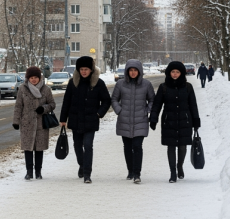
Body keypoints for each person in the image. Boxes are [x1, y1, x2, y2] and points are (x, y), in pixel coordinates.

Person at [59, 56, 112, 184]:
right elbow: (66, 101)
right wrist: (63, 119)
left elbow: (106, 100)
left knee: (88, 146)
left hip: (91, 120)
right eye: (81, 69)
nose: (84, 71)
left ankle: (87, 174)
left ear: (91, 70)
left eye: (86, 69)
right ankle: (82, 165)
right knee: (77, 145)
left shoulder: (98, 83)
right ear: (78, 70)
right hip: (75, 119)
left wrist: (99, 113)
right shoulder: (73, 83)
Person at [150, 61, 201, 183]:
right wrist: (153, 118)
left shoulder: (188, 87)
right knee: (171, 147)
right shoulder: (164, 87)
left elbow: (193, 105)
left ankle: (180, 166)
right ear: (169, 73)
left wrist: (196, 121)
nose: (175, 74)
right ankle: (173, 172)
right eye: (173, 72)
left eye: (177, 72)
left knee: (182, 147)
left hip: (184, 120)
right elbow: (157, 104)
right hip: (169, 121)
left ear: (181, 73)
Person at [110, 59, 154, 184]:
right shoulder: (120, 84)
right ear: (127, 71)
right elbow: (114, 99)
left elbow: (152, 100)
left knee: (137, 146)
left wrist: (146, 111)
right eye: (131, 70)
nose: (133, 73)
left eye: (135, 70)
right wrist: (119, 111)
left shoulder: (146, 84)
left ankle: (137, 173)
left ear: (139, 71)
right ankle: (130, 170)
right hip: (125, 120)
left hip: (140, 120)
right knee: (128, 147)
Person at [12, 66, 57, 180]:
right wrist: (16, 121)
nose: (33, 80)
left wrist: (44, 108)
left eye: (36, 77)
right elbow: (18, 106)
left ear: (39, 77)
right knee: (28, 148)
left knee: (39, 149)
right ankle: (29, 172)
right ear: (28, 78)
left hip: (41, 124)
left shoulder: (46, 89)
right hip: (27, 123)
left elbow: (52, 104)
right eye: (31, 77)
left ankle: (38, 172)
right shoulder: (23, 89)